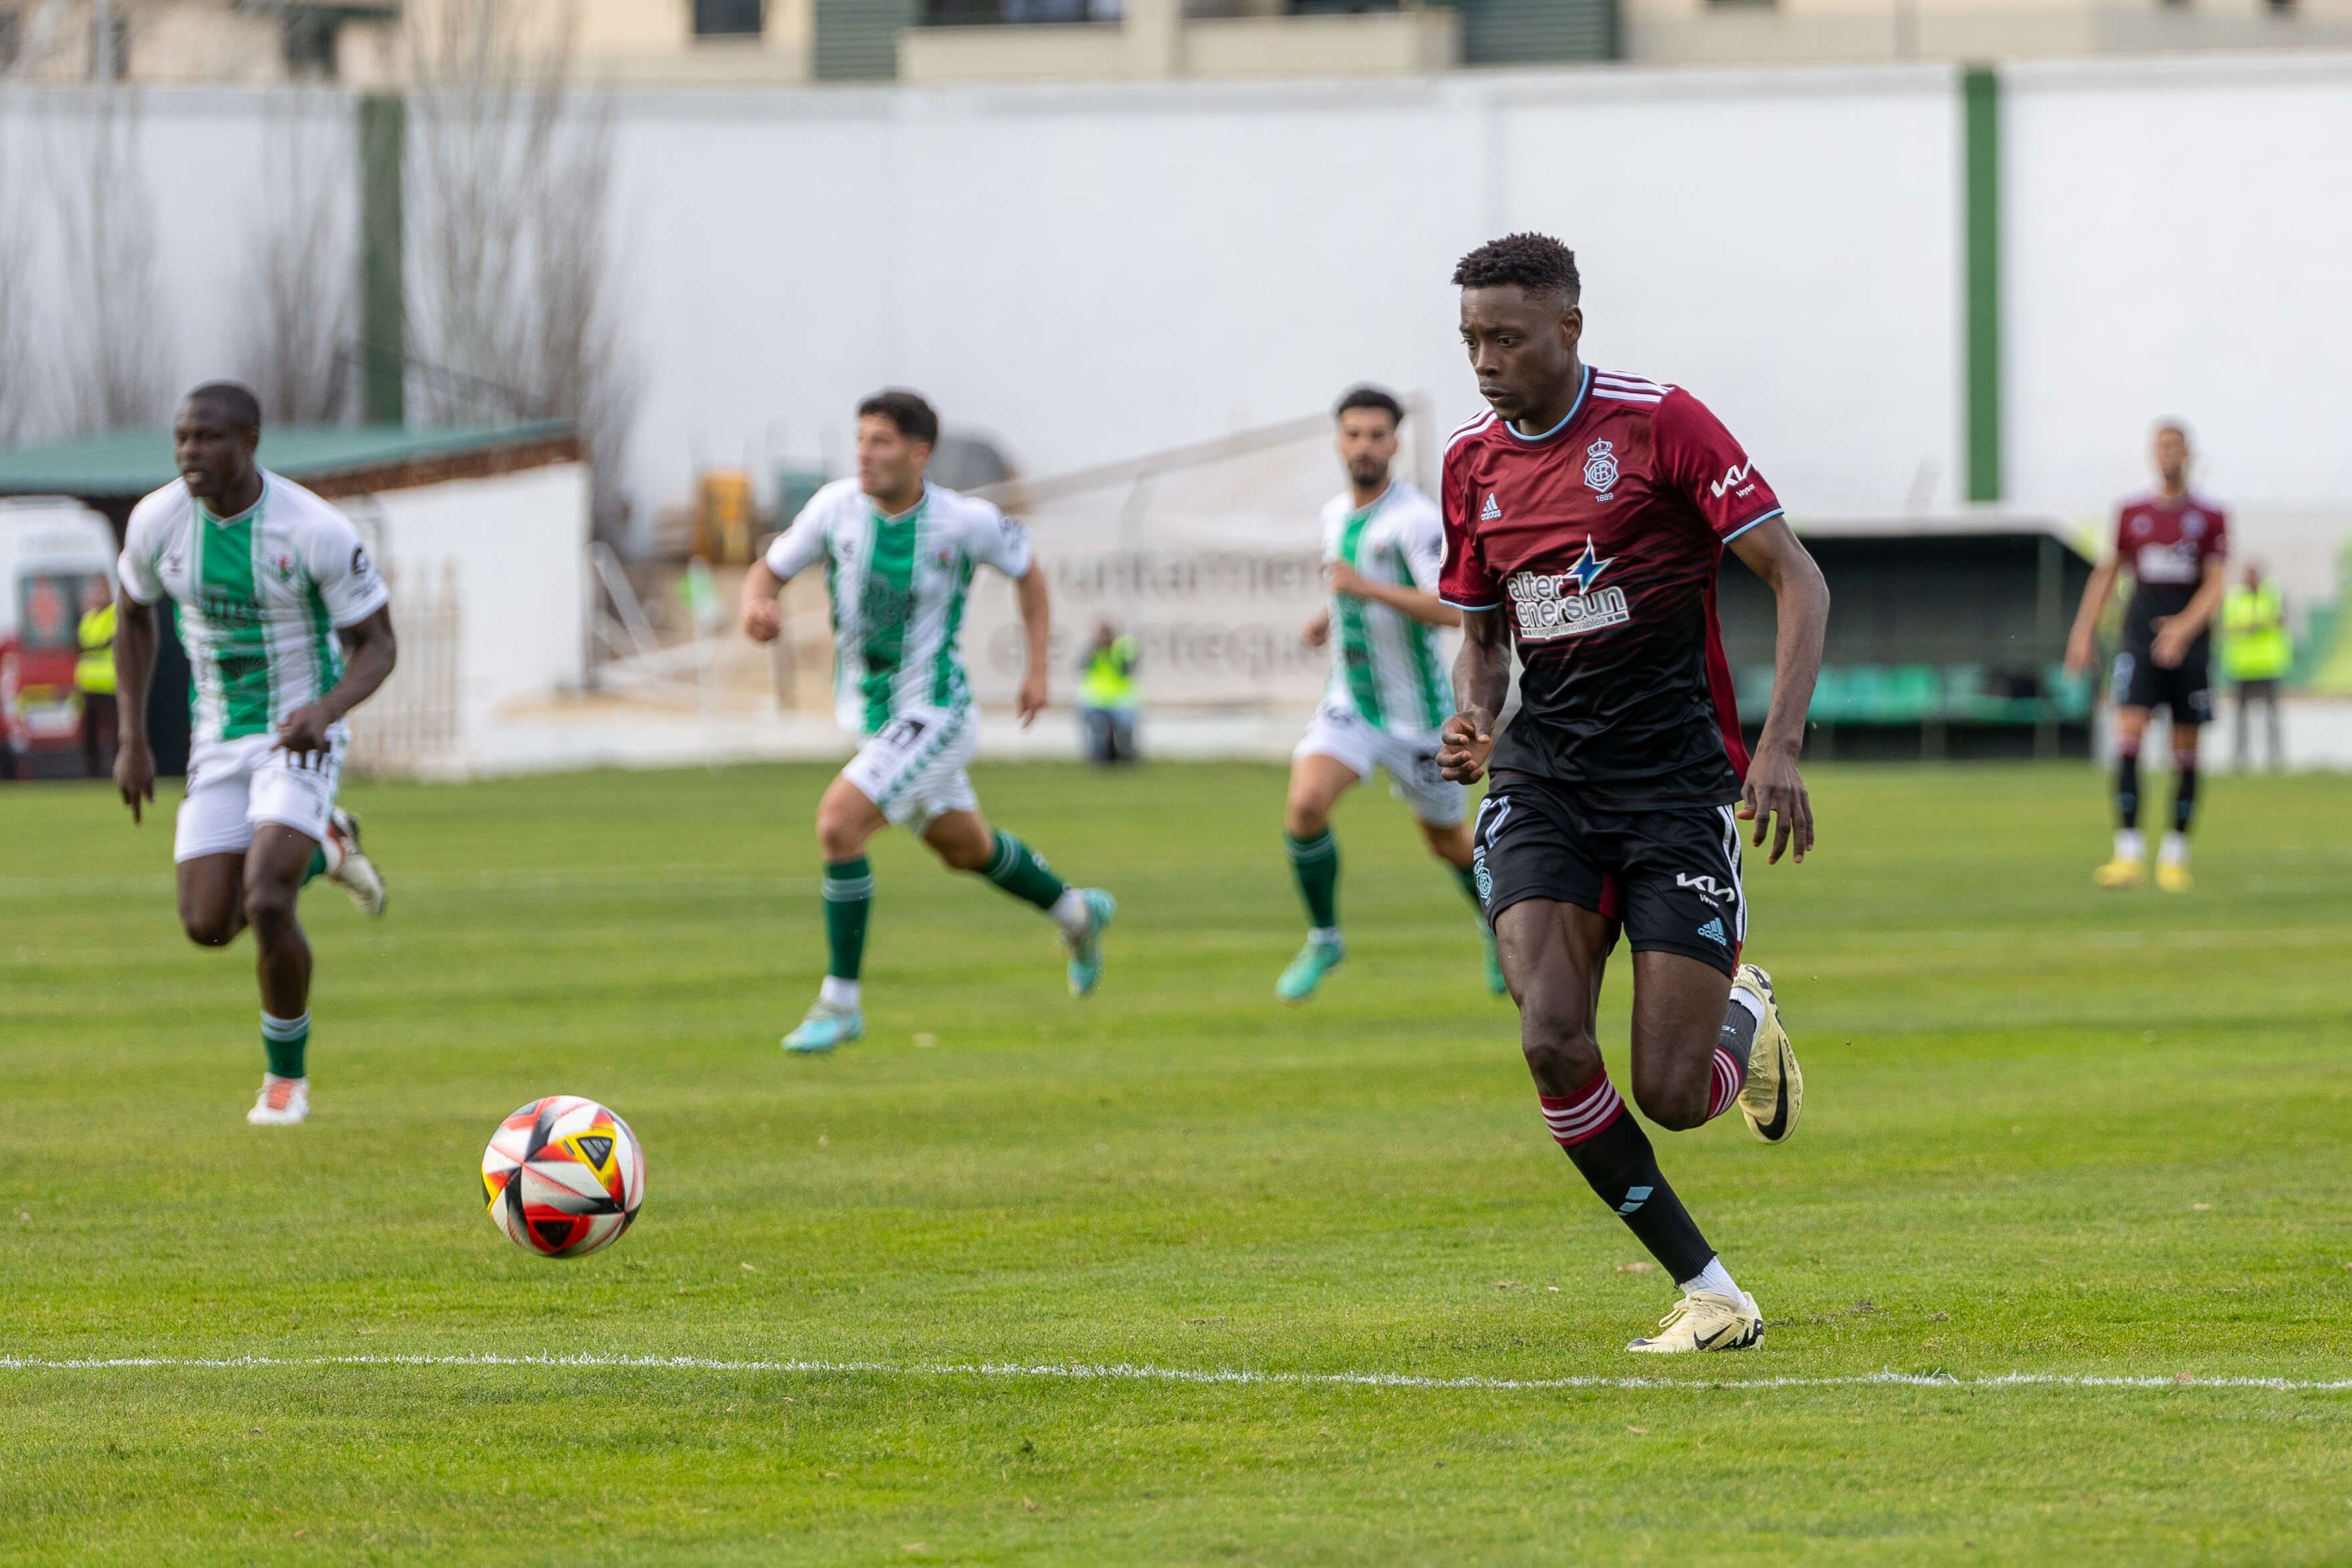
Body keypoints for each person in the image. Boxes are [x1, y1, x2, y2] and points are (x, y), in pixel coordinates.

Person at [1435, 234, 1828, 1355]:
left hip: (1673, 792)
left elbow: (1797, 576)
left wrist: (1780, 745)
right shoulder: (1470, 463)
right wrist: (1475, 716)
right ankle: (1713, 1293)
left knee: (1671, 1089)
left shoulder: (1661, 426)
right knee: (1553, 1035)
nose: (1485, 360)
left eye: (1506, 336)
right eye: (1470, 338)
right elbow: (1482, 637)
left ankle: (1743, 1011)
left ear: (1569, 327)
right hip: (1546, 781)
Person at [740, 389, 1115, 1054]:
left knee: (837, 824)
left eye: (881, 442)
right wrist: (756, 608)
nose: (865, 453)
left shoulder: (964, 521)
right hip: (872, 719)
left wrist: (1036, 671)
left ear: (920, 453)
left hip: (936, 712)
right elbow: (765, 574)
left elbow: (1028, 574)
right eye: (860, 439)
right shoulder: (834, 509)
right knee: (964, 849)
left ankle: (840, 1003)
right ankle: (1078, 913)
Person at [111, 381, 394, 1126]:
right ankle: (328, 845)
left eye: (208, 438)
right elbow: (133, 617)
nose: (190, 453)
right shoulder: (157, 522)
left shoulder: (314, 529)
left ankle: (284, 1082)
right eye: (181, 438)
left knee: (267, 895)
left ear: (251, 443)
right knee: (208, 922)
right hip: (217, 736)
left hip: (302, 731)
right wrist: (133, 739)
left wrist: (327, 710)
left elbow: (379, 643)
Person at [1278, 383, 1502, 1003]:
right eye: (1353, 434)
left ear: (1395, 443)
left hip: (1418, 716)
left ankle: (1493, 923)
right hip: (1350, 702)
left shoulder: (1415, 520)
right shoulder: (1334, 514)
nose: (1364, 446)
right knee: (1305, 808)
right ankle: (1325, 937)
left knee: (1447, 842)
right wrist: (1328, 616)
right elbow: (1348, 583)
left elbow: (1451, 609)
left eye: (1377, 435)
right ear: (1338, 440)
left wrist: (1363, 590)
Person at [2065, 421, 2228, 893]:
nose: (2168, 454)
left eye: (2175, 446)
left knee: (2185, 749)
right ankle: (2128, 853)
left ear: (2189, 454)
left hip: (2191, 648)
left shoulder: (2209, 517)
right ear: (2152, 455)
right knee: (2129, 736)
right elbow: (2106, 574)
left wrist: (2183, 628)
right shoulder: (2132, 513)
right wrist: (2083, 632)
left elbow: (2216, 583)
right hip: (2139, 643)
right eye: (2161, 446)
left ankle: (2175, 855)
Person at [2221, 561, 2289, 772]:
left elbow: (2282, 619)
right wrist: (2248, 627)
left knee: (2272, 714)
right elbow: (2226, 627)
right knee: (2241, 716)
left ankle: (2275, 758)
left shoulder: (2272, 595)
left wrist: (2260, 623)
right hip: (2242, 665)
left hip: (2268, 663)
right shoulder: (2234, 598)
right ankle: (2240, 758)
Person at [1076, 619, 1139, 765]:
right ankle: (1101, 760)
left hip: (1119, 700)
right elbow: (1080, 667)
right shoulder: (1093, 653)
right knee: (1097, 728)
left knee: (1125, 726)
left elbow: (1129, 669)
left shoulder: (1120, 652)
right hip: (1097, 700)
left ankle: (1127, 757)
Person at [76, 578, 118, 778]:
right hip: (88, 685)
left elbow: (106, 642)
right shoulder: (88, 618)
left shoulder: (115, 614)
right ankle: (93, 775)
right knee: (89, 736)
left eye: (101, 590)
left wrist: (92, 647)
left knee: (116, 733)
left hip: (109, 684)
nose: (97, 595)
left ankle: (119, 771)